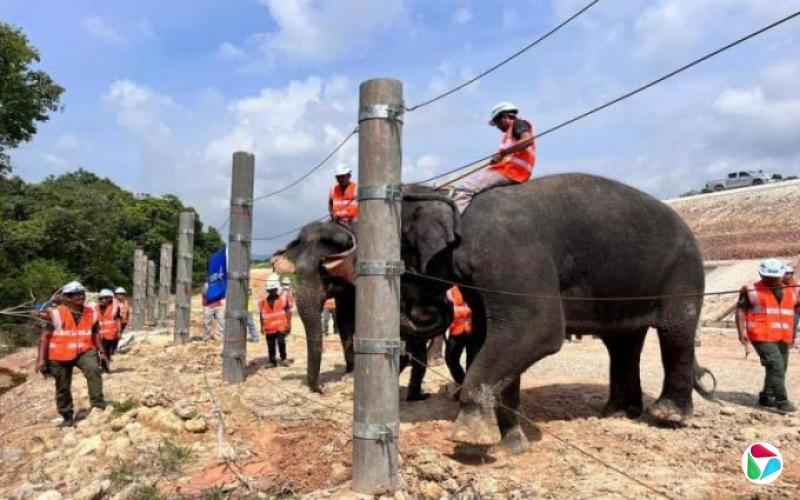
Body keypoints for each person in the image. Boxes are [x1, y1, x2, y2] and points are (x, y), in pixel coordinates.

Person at [34, 281, 107, 427]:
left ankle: (98, 405)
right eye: (76, 295)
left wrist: (102, 351)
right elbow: (44, 335)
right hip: (60, 355)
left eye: (82, 294)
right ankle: (67, 416)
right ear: (66, 298)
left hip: (84, 351)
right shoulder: (57, 313)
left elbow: (95, 332)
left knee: (93, 370)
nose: (81, 297)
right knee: (62, 386)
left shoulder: (91, 312)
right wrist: (41, 360)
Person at [736, 258, 799, 413]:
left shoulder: (793, 289)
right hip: (761, 334)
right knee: (776, 365)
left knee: (780, 367)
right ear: (761, 275)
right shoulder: (751, 290)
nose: (772, 280)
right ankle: (782, 401)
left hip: (783, 335)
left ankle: (767, 396)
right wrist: (741, 331)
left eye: (775, 277)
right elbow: (740, 311)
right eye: (768, 278)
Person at [453, 101, 536, 213]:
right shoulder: (509, 134)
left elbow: (527, 140)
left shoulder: (518, 124)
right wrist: (499, 159)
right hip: (514, 171)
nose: (497, 127)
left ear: (505, 117)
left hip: (510, 171)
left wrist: (502, 154)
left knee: (463, 188)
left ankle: (453, 225)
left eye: (497, 122)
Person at [444, 286, 474, 397]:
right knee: (451, 359)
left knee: (472, 361)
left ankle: (468, 389)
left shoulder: (472, 288)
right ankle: (463, 384)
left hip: (473, 329)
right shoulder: (449, 288)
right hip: (456, 329)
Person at [258, 276, 292, 367]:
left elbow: (288, 311)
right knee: (271, 345)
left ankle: (284, 359)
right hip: (269, 328)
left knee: (281, 343)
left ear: (277, 289)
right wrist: (261, 326)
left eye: (273, 289)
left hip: (280, 327)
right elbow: (261, 314)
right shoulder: (263, 302)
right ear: (268, 290)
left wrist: (289, 323)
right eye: (270, 290)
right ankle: (272, 361)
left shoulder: (283, 299)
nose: (272, 291)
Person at [95, 289, 121, 373]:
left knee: (108, 352)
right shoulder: (95, 308)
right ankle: (103, 367)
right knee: (103, 351)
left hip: (112, 334)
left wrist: (119, 332)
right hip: (100, 335)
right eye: (101, 298)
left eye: (106, 298)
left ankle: (105, 366)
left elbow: (118, 320)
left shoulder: (115, 308)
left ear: (110, 299)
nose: (103, 300)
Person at [783, 265, 799, 349]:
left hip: (794, 310)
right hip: (782, 310)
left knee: (792, 326)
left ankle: (791, 344)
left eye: (787, 273)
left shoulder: (797, 286)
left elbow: (797, 300)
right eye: (784, 273)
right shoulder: (779, 285)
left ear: (792, 274)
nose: (785, 275)